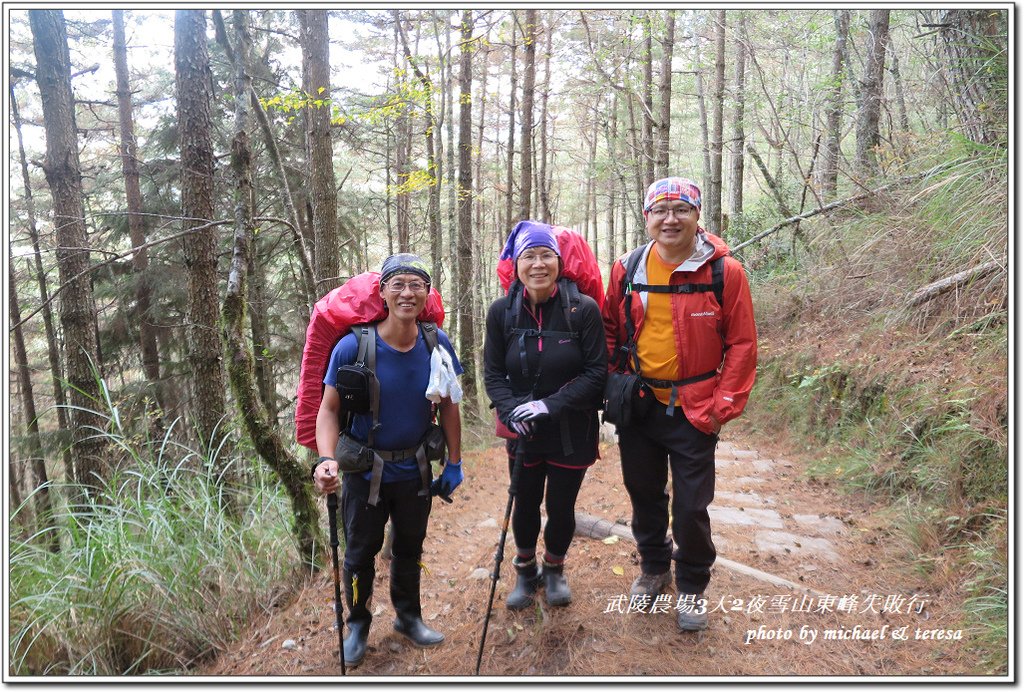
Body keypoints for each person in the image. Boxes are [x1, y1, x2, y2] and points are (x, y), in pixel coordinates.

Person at [602, 177, 757, 631]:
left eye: (681, 209)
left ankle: (691, 586)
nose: (671, 219)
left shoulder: (724, 272)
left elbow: (743, 345)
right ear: (647, 217)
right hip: (640, 404)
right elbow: (612, 331)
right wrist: (616, 386)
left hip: (696, 407)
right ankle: (653, 568)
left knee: (691, 506)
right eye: (661, 210)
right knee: (644, 493)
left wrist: (719, 408)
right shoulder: (627, 268)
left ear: (697, 215)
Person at [312, 253, 464, 666]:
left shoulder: (436, 344)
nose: (407, 292)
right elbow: (327, 410)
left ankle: (408, 616)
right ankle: (358, 624)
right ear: (382, 292)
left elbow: (449, 403)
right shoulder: (353, 347)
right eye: (398, 284)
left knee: (410, 548)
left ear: (427, 293)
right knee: (360, 552)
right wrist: (326, 459)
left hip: (415, 468)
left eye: (416, 284)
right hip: (365, 472)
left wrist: (453, 461)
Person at [484, 220, 607, 610]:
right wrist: (510, 409)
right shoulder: (502, 312)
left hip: (572, 428)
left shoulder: (582, 310)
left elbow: (596, 372)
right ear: (516, 263)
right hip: (522, 432)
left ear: (558, 260)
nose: (538, 264)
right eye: (529, 256)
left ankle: (554, 569)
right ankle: (525, 570)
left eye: (546, 255)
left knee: (561, 506)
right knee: (524, 501)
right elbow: (492, 373)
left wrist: (548, 405)